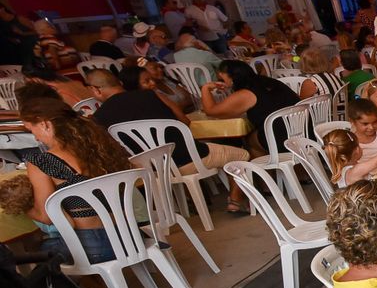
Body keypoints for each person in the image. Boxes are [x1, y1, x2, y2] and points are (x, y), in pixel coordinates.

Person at [17, 95, 134, 265]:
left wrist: (20, 205)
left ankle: (98, 280)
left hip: (95, 247)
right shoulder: (102, 148)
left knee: (32, 250)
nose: (35, 138)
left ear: (45, 124)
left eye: (31, 130)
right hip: (130, 236)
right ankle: (105, 280)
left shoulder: (42, 162)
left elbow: (46, 216)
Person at [87, 65, 246, 178]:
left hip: (151, 172)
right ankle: (235, 201)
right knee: (243, 156)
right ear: (119, 83)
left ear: (95, 89)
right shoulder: (152, 94)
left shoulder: (98, 118)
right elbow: (184, 122)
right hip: (188, 159)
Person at [200, 60, 300, 213]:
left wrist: (205, 88)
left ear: (231, 77)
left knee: (247, 142)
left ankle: (263, 186)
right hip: (300, 132)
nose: (221, 81)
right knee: (256, 136)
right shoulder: (269, 82)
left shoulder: (245, 93)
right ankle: (269, 184)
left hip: (281, 139)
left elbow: (211, 111)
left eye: (222, 77)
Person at [341, 99, 377, 183]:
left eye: (375, 122)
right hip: (366, 181)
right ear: (352, 121)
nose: (371, 127)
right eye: (365, 124)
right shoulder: (351, 142)